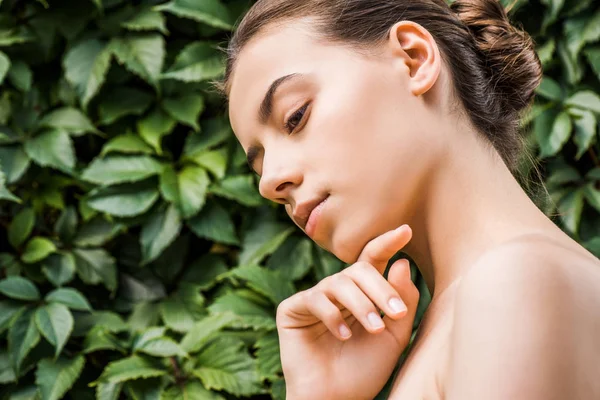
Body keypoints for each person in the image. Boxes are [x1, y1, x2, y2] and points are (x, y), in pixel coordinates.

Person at [212, 0, 600, 398]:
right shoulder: (467, 310)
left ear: (414, 59)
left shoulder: (514, 281)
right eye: (259, 167)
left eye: (295, 116)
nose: (270, 182)